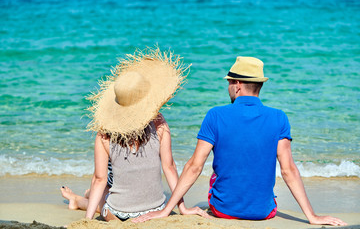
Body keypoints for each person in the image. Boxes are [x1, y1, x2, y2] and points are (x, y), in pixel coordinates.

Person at [133, 56, 347, 226]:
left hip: (223, 211)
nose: (228, 87)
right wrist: (312, 216)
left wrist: (165, 210)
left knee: (215, 178)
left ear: (237, 85)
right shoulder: (279, 117)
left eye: (229, 83)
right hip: (264, 213)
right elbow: (289, 170)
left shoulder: (215, 115)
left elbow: (194, 166)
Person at [65, 47, 209, 221]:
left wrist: (87, 221)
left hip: (117, 213)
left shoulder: (104, 135)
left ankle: (79, 200)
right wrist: (183, 208)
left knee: (103, 191)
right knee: (108, 187)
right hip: (155, 210)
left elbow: (99, 179)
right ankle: (79, 199)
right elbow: (169, 167)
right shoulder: (160, 126)